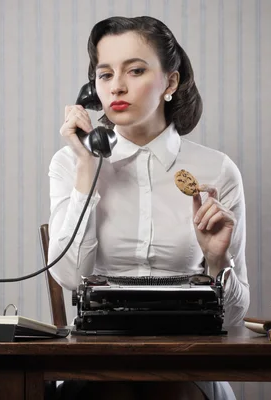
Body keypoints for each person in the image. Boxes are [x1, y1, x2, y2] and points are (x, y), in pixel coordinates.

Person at [47, 16, 250, 400]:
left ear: (170, 82)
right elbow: (72, 277)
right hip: (94, 370)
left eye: (135, 70)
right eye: (104, 75)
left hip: (186, 369)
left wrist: (217, 262)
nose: (117, 86)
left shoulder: (218, 170)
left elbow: (236, 315)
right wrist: (88, 168)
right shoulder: (70, 163)